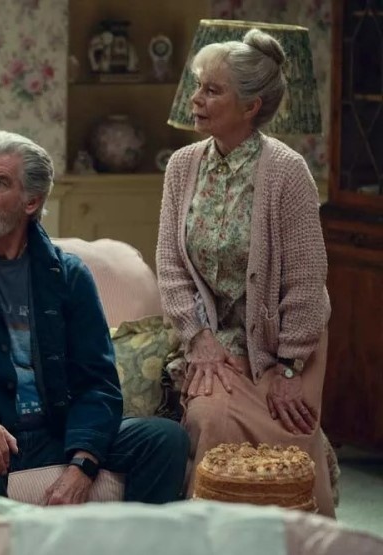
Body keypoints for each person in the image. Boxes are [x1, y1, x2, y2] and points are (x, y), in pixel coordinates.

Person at [0, 130, 189, 522]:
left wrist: (83, 464)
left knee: (165, 438)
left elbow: (97, 382)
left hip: (53, 429)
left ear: (31, 201)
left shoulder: (68, 275)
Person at [156, 29, 333, 516]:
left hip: (285, 345)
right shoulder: (182, 167)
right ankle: (210, 541)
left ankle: (303, 543)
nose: (195, 98)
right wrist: (198, 338)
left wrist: (289, 368)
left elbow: (307, 281)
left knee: (293, 436)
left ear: (251, 106)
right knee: (211, 419)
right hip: (212, 344)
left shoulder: (288, 172)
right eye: (198, 86)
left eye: (212, 90)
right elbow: (170, 266)